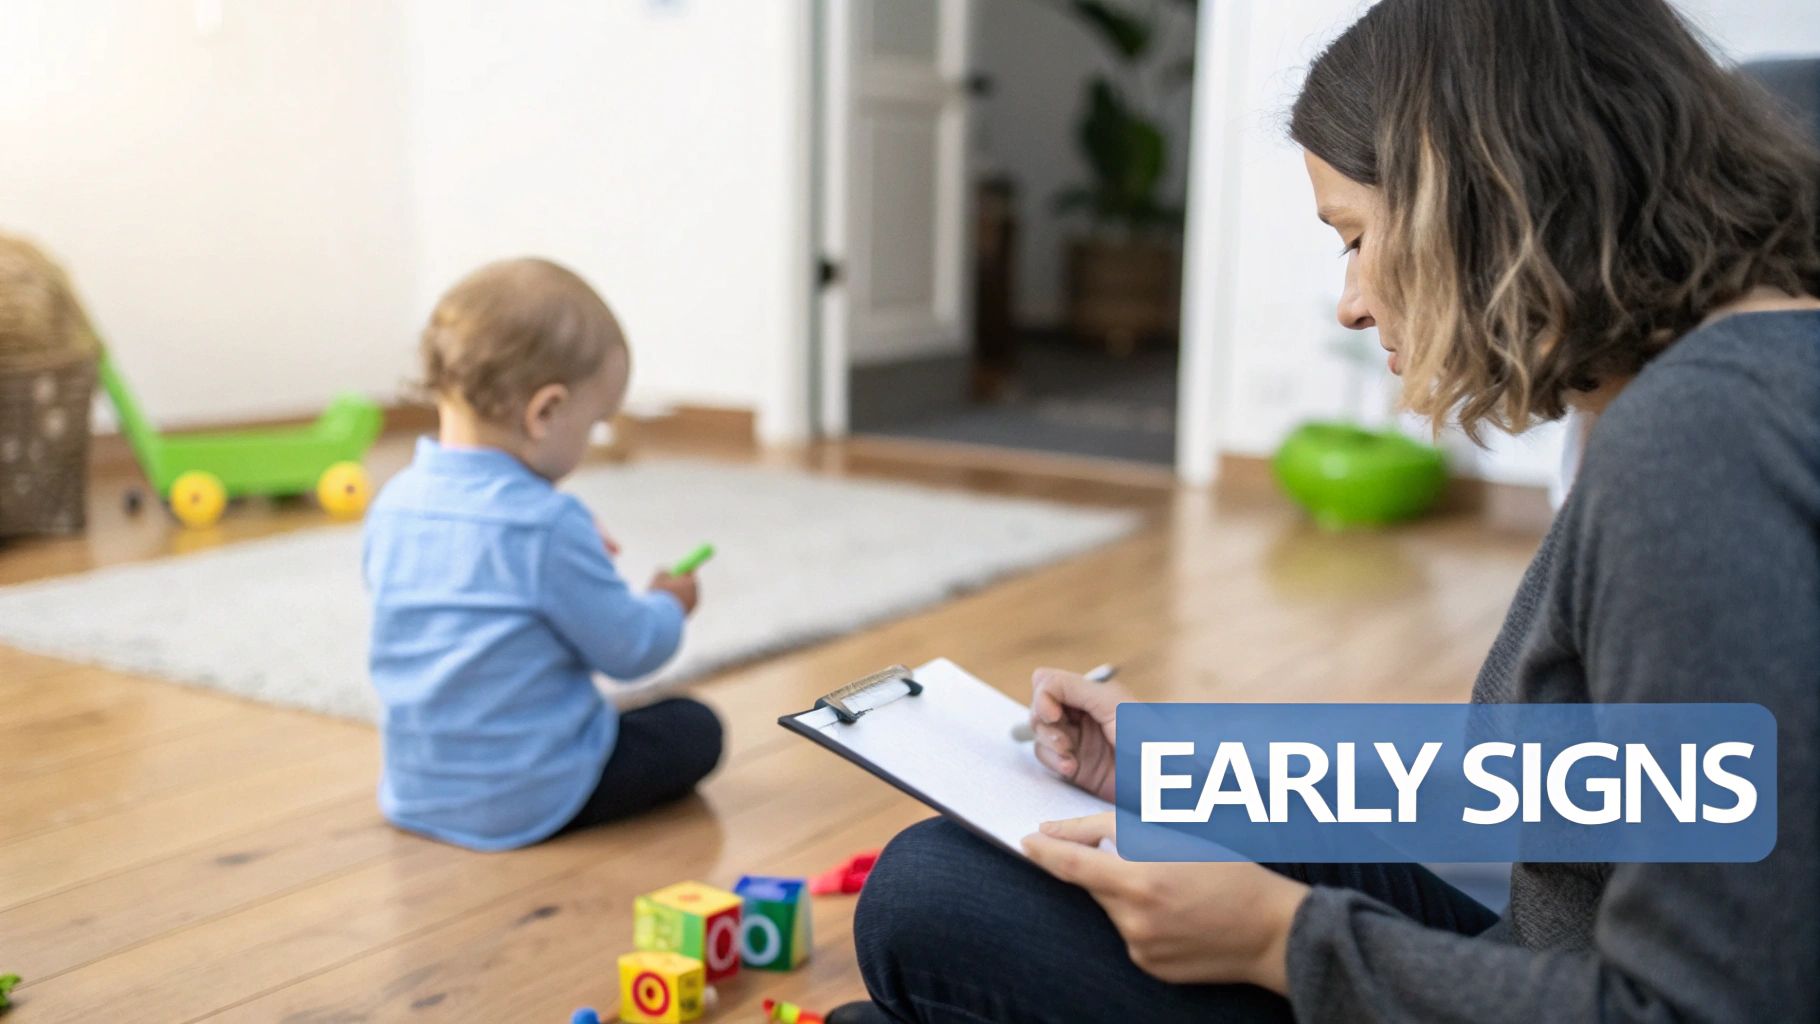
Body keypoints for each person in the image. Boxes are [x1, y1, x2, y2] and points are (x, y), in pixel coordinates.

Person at [834, 0, 1820, 1019]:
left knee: (935, 902)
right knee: (948, 882)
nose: (1348, 300)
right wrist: (1190, 767)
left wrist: (1277, 940)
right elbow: (1600, 781)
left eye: (1352, 236)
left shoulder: (1701, 444)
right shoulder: (1719, 379)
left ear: (1478, 193)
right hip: (1543, 948)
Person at [362, 257, 721, 852]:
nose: (593, 439)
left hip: (414, 788)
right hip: (528, 796)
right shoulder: (548, 525)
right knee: (694, 728)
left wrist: (566, 543)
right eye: (595, 422)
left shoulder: (395, 500)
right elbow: (631, 649)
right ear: (546, 412)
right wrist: (668, 602)